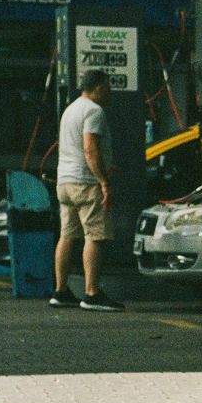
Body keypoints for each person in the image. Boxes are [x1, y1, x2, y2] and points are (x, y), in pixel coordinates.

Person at [51, 69, 126, 312]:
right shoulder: (94, 111)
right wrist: (103, 181)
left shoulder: (71, 109)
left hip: (65, 182)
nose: (110, 93)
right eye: (109, 88)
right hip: (86, 183)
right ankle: (92, 293)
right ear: (100, 87)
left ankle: (61, 291)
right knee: (95, 236)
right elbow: (89, 148)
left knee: (67, 236)